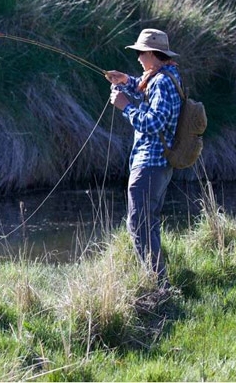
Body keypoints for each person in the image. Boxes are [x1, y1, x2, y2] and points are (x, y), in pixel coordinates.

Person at [104, 28, 181, 290]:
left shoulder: (162, 82)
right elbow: (145, 90)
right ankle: (160, 284)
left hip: (151, 163)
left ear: (152, 54)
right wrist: (126, 80)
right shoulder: (165, 76)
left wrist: (125, 107)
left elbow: (154, 122)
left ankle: (159, 287)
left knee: (138, 224)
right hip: (158, 165)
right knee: (148, 224)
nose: (137, 57)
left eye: (140, 53)